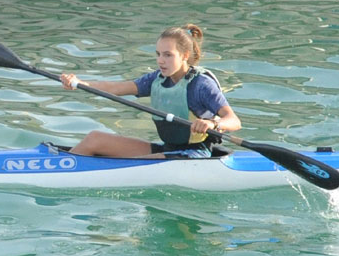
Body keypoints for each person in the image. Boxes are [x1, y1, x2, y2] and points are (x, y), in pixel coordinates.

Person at [58, 24, 240, 158]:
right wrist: (78, 83)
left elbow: (233, 120)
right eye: (158, 54)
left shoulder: (201, 85)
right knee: (94, 139)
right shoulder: (156, 79)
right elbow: (116, 88)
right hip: (168, 148)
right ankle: (60, 166)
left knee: (135, 163)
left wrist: (212, 124)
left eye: (168, 55)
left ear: (185, 56)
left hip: (194, 153)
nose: (161, 61)